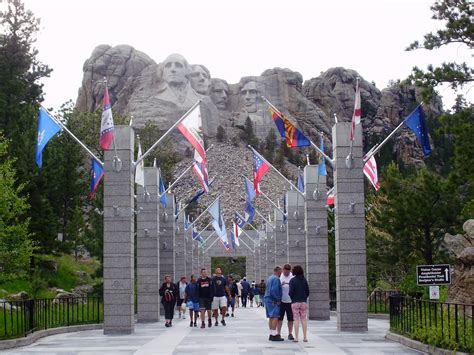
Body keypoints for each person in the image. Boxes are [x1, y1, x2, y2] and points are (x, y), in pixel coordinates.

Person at [289, 265, 310, 342]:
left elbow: (291, 292)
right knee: (304, 319)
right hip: (303, 302)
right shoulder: (304, 280)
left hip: (295, 302)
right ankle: (305, 337)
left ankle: (296, 337)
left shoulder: (292, 280)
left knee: (296, 319)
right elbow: (308, 291)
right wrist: (304, 297)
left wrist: (292, 297)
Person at [264, 266, 283, 341]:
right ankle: (274, 335)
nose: (281, 273)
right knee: (275, 316)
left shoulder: (270, 278)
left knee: (271, 317)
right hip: (273, 300)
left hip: (268, 299)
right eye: (280, 272)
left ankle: (271, 333)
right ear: (277, 271)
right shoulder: (276, 279)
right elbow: (274, 290)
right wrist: (277, 299)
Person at [277, 263, 295, 340]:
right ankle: (278, 333)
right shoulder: (279, 276)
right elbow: (276, 287)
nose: (286, 273)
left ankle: (290, 333)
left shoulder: (292, 277)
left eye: (288, 272)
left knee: (290, 319)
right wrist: (281, 284)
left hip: (290, 301)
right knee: (279, 318)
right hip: (281, 301)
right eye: (285, 271)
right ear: (283, 270)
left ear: (290, 271)